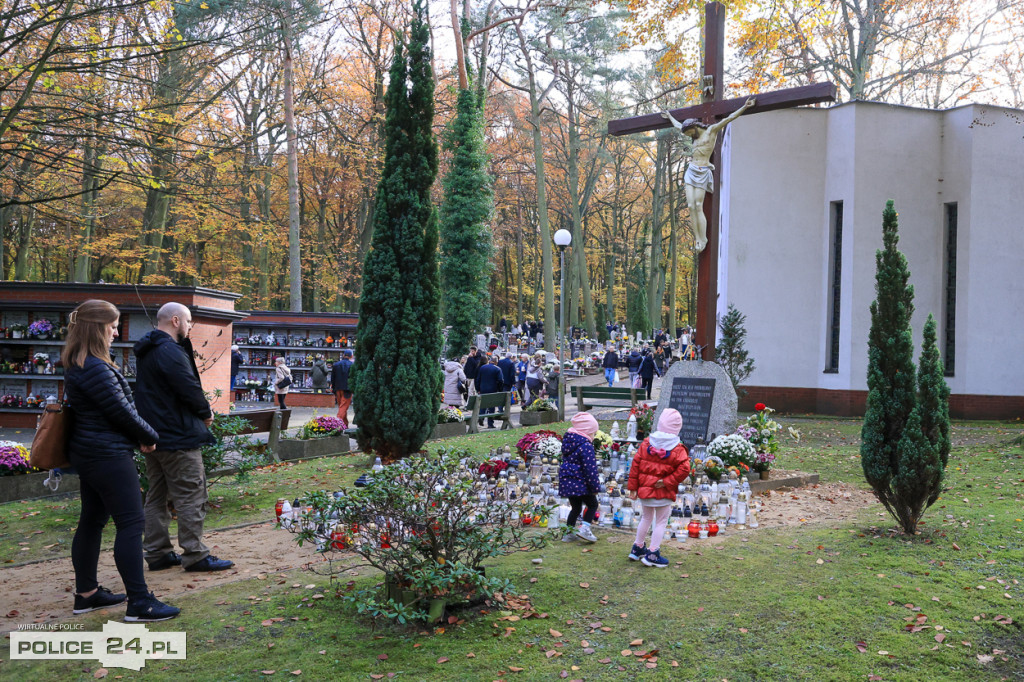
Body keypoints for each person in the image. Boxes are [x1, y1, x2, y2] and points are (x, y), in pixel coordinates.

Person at [62, 300, 179, 622]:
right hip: (107, 455)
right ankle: (139, 603)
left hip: (91, 453)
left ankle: (86, 595)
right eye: (112, 326)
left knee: (92, 521)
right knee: (131, 524)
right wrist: (150, 436)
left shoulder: (78, 362)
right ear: (96, 328)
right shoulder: (96, 367)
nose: (116, 332)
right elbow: (121, 411)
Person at [134, 302, 234, 575]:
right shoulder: (169, 350)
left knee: (156, 494)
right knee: (191, 494)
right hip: (178, 434)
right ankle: (195, 554)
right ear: (176, 321)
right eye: (189, 322)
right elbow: (187, 386)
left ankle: (157, 553)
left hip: (154, 435)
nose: (191, 327)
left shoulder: (148, 350)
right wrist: (205, 412)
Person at [662, 96, 756, 252]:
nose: (689, 136)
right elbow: (679, 126)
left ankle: (702, 238)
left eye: (690, 132)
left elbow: (729, 118)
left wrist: (745, 106)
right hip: (691, 170)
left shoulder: (711, 131)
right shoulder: (690, 133)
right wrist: (670, 116)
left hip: (703, 170)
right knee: (691, 205)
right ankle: (696, 237)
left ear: (695, 126)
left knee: (698, 205)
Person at [626, 408, 691, 568]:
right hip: (663, 491)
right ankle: (653, 553)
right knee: (661, 521)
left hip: (645, 490)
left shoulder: (647, 442)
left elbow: (636, 464)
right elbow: (685, 468)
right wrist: (668, 481)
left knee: (646, 518)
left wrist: (633, 487)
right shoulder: (678, 448)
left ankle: (638, 547)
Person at [558, 412, 601, 543]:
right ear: (586, 432)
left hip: (568, 481)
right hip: (581, 482)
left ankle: (569, 533)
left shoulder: (569, 442)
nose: (593, 436)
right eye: (593, 433)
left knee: (575, 507)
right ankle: (585, 528)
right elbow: (590, 469)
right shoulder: (586, 446)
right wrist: (594, 487)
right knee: (593, 504)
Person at [475, 356, 503, 428]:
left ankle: (481, 417)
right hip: (493, 389)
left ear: (490, 361)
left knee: (483, 405)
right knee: (491, 407)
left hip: (483, 389)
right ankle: (490, 424)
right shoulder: (498, 369)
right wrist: (500, 390)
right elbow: (500, 381)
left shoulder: (482, 368)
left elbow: (478, 379)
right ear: (496, 362)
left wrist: (478, 389)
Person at [331, 349, 353, 422]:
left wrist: (333, 388)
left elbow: (332, 378)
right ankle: (337, 423)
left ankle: (345, 425)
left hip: (338, 388)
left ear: (343, 355)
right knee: (343, 407)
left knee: (341, 407)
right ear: (351, 356)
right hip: (347, 389)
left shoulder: (336, 365)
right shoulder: (352, 365)